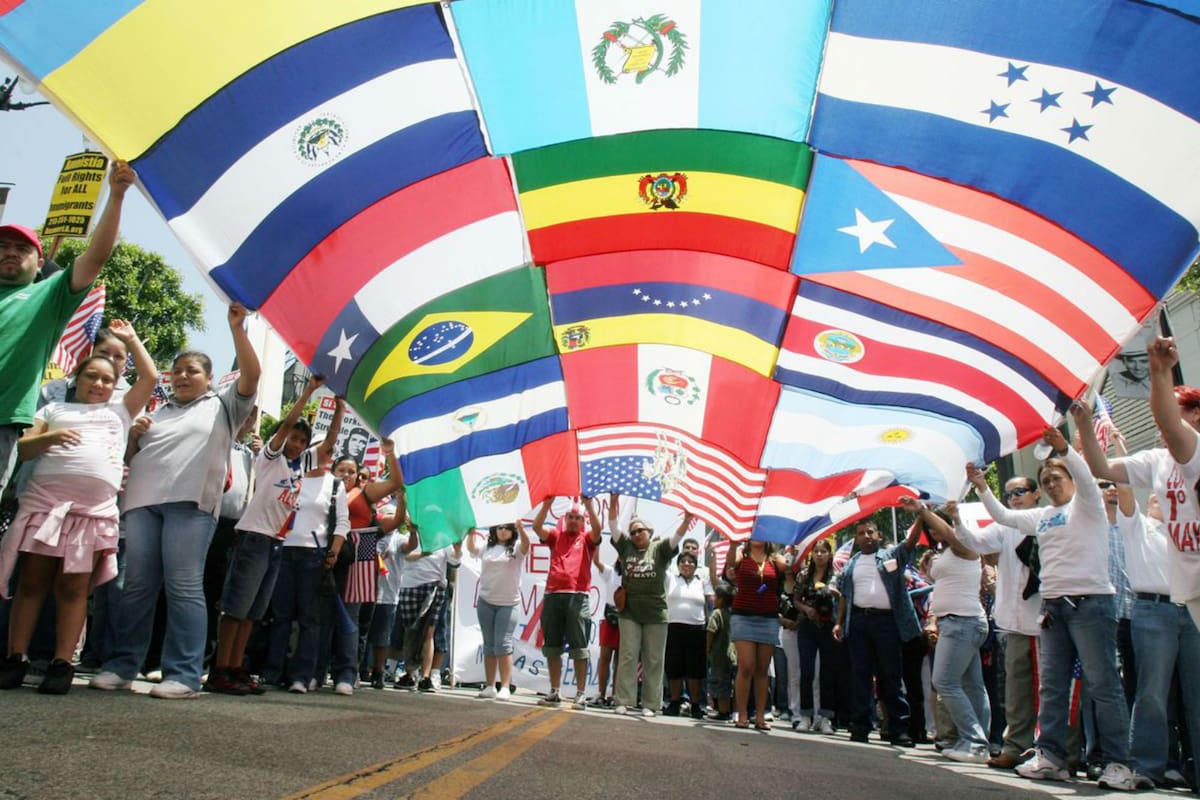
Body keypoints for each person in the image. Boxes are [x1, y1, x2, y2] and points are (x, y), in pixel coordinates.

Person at [89, 304, 260, 699]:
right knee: (136, 587)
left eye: (192, 371)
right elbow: (129, 458)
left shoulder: (224, 406)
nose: (182, 376)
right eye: (177, 371)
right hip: (142, 505)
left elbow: (253, 375)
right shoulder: (156, 412)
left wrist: (237, 328)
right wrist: (135, 435)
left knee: (183, 587)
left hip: (191, 508)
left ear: (210, 379)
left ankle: (183, 674)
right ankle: (121, 665)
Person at [968, 420, 1134, 791]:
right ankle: (1052, 758)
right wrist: (981, 487)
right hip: (1054, 610)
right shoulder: (1041, 517)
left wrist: (1064, 451)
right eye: (1045, 481)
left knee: (1103, 684)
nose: (1051, 484)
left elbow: (1087, 479)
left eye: (1057, 479)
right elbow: (1003, 517)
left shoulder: (1087, 506)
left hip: (1092, 605)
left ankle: (1119, 763)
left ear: (1073, 483)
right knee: (1053, 686)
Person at [0, 320, 155, 693]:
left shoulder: (120, 412)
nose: (99, 384)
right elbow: (23, 448)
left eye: (107, 380)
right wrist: (53, 436)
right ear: (78, 377)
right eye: (93, 377)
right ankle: (14, 658)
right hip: (45, 506)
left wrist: (132, 340)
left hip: (91, 514)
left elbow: (148, 378)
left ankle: (61, 662)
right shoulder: (53, 408)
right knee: (33, 582)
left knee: (73, 587)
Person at [0, 161, 135, 497]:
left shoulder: (48, 295)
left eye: (22, 249)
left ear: (39, 262)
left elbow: (95, 257)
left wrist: (116, 195)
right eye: (2, 247)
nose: (10, 253)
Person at [204, 377, 334, 696]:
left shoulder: (299, 469)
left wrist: (340, 406)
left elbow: (328, 444)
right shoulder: (271, 459)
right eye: (294, 438)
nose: (297, 444)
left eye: (303, 441)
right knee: (236, 608)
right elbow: (288, 423)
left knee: (253, 613)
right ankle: (219, 670)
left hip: (276, 543)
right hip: (253, 537)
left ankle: (235, 668)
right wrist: (307, 392)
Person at [951, 475, 1047, 771]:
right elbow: (975, 542)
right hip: (1014, 620)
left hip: (1047, 619)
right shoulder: (1005, 527)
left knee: (1052, 690)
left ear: (1036, 494)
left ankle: (1058, 750)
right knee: (1016, 691)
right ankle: (1015, 747)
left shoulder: (1048, 520)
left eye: (1020, 491)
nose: (1014, 498)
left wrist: (982, 487)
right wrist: (956, 519)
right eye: (1009, 494)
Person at [905, 498, 991, 763]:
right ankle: (977, 741)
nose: (934, 531)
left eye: (937, 524)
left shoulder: (967, 546)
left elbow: (949, 532)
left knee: (944, 682)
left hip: (963, 623)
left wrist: (922, 510)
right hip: (955, 622)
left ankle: (975, 742)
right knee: (972, 685)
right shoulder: (944, 554)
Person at [261, 452, 349, 693]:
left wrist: (333, 552)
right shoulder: (292, 476)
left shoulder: (334, 484)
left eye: (328, 453)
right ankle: (272, 672)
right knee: (281, 617)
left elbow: (343, 522)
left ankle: (302, 675)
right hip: (284, 551)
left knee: (309, 619)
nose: (323, 457)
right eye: (318, 450)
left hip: (314, 555)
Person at [832, 518, 924, 746]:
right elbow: (845, 594)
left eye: (870, 532)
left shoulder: (891, 556)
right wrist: (840, 622)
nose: (866, 536)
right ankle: (860, 726)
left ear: (879, 536)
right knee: (860, 676)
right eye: (861, 533)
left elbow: (910, 543)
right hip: (859, 622)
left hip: (887, 623)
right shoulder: (851, 563)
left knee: (890, 676)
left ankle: (899, 728)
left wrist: (921, 516)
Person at [608, 497, 687, 717]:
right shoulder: (625, 547)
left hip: (656, 613)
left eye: (639, 531)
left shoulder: (660, 549)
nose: (635, 535)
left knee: (653, 659)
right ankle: (623, 700)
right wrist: (614, 500)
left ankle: (651, 704)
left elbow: (676, 538)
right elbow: (613, 526)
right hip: (630, 612)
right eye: (632, 532)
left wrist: (687, 519)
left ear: (649, 532)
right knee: (627, 656)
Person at [531, 496, 602, 708]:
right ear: (565, 519)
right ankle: (554, 691)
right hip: (553, 596)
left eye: (577, 518)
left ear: (583, 521)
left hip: (577, 597)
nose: (573, 521)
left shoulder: (587, 539)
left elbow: (598, 530)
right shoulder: (555, 535)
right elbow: (536, 526)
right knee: (552, 646)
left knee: (579, 647)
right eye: (570, 517)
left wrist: (589, 505)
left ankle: (580, 694)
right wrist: (546, 504)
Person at [465, 521, 530, 700]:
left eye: (507, 528)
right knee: (489, 644)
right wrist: (471, 533)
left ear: (512, 531)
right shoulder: (487, 546)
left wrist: (522, 529)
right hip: (486, 601)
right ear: (494, 530)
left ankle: (506, 686)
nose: (502, 531)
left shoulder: (516, 548)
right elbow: (471, 549)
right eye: (499, 528)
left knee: (503, 644)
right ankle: (490, 686)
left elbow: (526, 546)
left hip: (509, 603)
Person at [729, 539, 788, 730]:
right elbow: (730, 564)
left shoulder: (775, 560)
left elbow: (789, 570)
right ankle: (742, 713)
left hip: (768, 618)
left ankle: (761, 716)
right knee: (746, 665)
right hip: (743, 616)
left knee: (762, 669)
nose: (757, 536)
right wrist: (731, 544)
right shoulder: (741, 556)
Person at [792, 538, 838, 734]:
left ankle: (825, 717)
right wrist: (806, 609)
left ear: (829, 554)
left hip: (829, 626)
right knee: (807, 671)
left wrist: (832, 592)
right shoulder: (804, 575)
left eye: (823, 551)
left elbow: (842, 597)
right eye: (816, 551)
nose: (819, 555)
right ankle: (805, 715)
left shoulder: (835, 575)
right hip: (807, 626)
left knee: (828, 672)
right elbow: (795, 600)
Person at [664, 550, 710, 719]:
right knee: (674, 667)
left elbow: (708, 603)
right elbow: (661, 565)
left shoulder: (702, 581)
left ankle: (695, 705)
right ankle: (674, 703)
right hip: (673, 627)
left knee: (695, 669)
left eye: (690, 562)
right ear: (678, 565)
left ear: (696, 566)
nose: (686, 564)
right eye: (682, 561)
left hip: (696, 629)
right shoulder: (671, 579)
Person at [707, 582, 736, 721]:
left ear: (721, 599)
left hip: (719, 655)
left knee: (720, 682)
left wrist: (707, 648)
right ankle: (731, 710)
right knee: (730, 683)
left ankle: (723, 711)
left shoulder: (717, 613)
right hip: (733, 654)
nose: (713, 598)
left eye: (715, 596)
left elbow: (711, 631)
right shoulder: (733, 615)